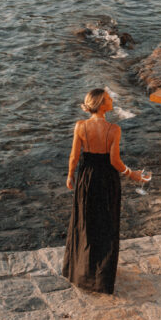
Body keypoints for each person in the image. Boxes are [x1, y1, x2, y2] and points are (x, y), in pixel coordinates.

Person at [62, 88, 146, 294]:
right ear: (101, 105)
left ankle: (81, 272)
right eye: (108, 99)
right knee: (106, 224)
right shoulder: (114, 129)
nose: (111, 100)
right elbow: (114, 161)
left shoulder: (80, 126)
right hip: (107, 179)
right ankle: (102, 277)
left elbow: (74, 157)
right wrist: (131, 173)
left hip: (87, 177)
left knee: (85, 222)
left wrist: (70, 175)